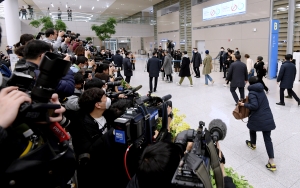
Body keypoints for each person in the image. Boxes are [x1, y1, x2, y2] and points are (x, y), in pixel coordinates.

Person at [238, 76, 276, 171]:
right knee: (267, 139)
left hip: (258, 117)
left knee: (252, 127)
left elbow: (254, 106)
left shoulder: (252, 92)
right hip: (267, 116)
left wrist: (243, 104)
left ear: (250, 84)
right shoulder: (261, 90)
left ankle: (253, 144)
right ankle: (272, 162)